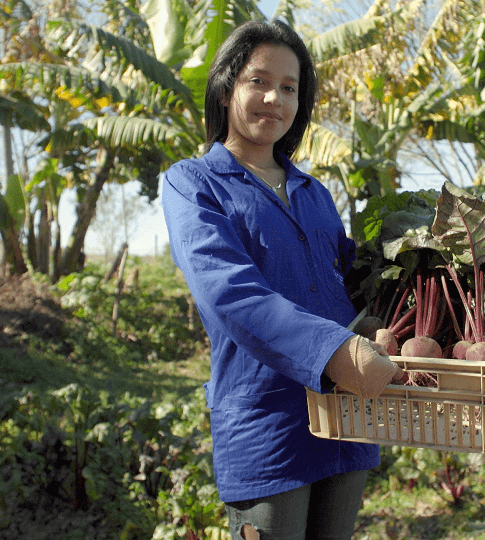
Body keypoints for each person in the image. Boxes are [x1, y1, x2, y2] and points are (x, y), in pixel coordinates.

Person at [161, 19, 404, 540]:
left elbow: (354, 280)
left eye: (290, 88)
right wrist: (336, 353)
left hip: (347, 415)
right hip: (268, 424)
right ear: (227, 86)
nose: (274, 98)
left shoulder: (312, 191)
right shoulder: (192, 183)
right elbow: (229, 292)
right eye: (258, 81)